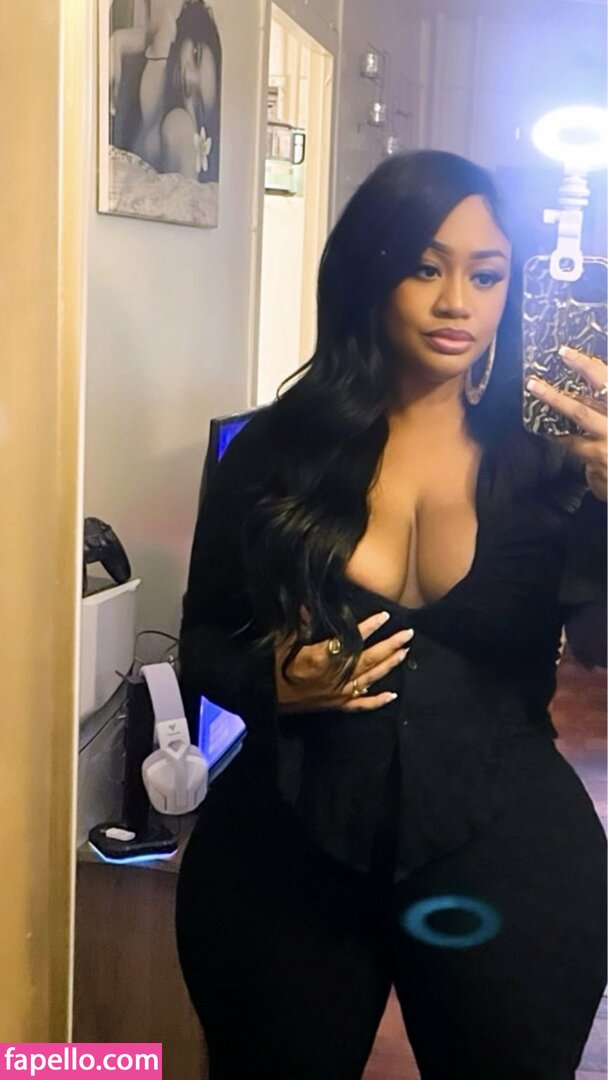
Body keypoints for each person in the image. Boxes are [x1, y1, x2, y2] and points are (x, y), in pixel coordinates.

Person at [175, 150, 607, 1080]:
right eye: (425, 266)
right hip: (286, 856)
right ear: (370, 272)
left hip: (506, 853)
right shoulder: (274, 454)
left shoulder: (554, 465)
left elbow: (602, 644)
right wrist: (275, 683)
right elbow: (201, 644)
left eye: (486, 275)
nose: (458, 302)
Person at [109, 0, 221, 182]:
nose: (188, 78)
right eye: (195, 55)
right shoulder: (165, 36)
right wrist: (119, 44)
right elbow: (122, 41)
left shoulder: (180, 125)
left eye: (197, 100)